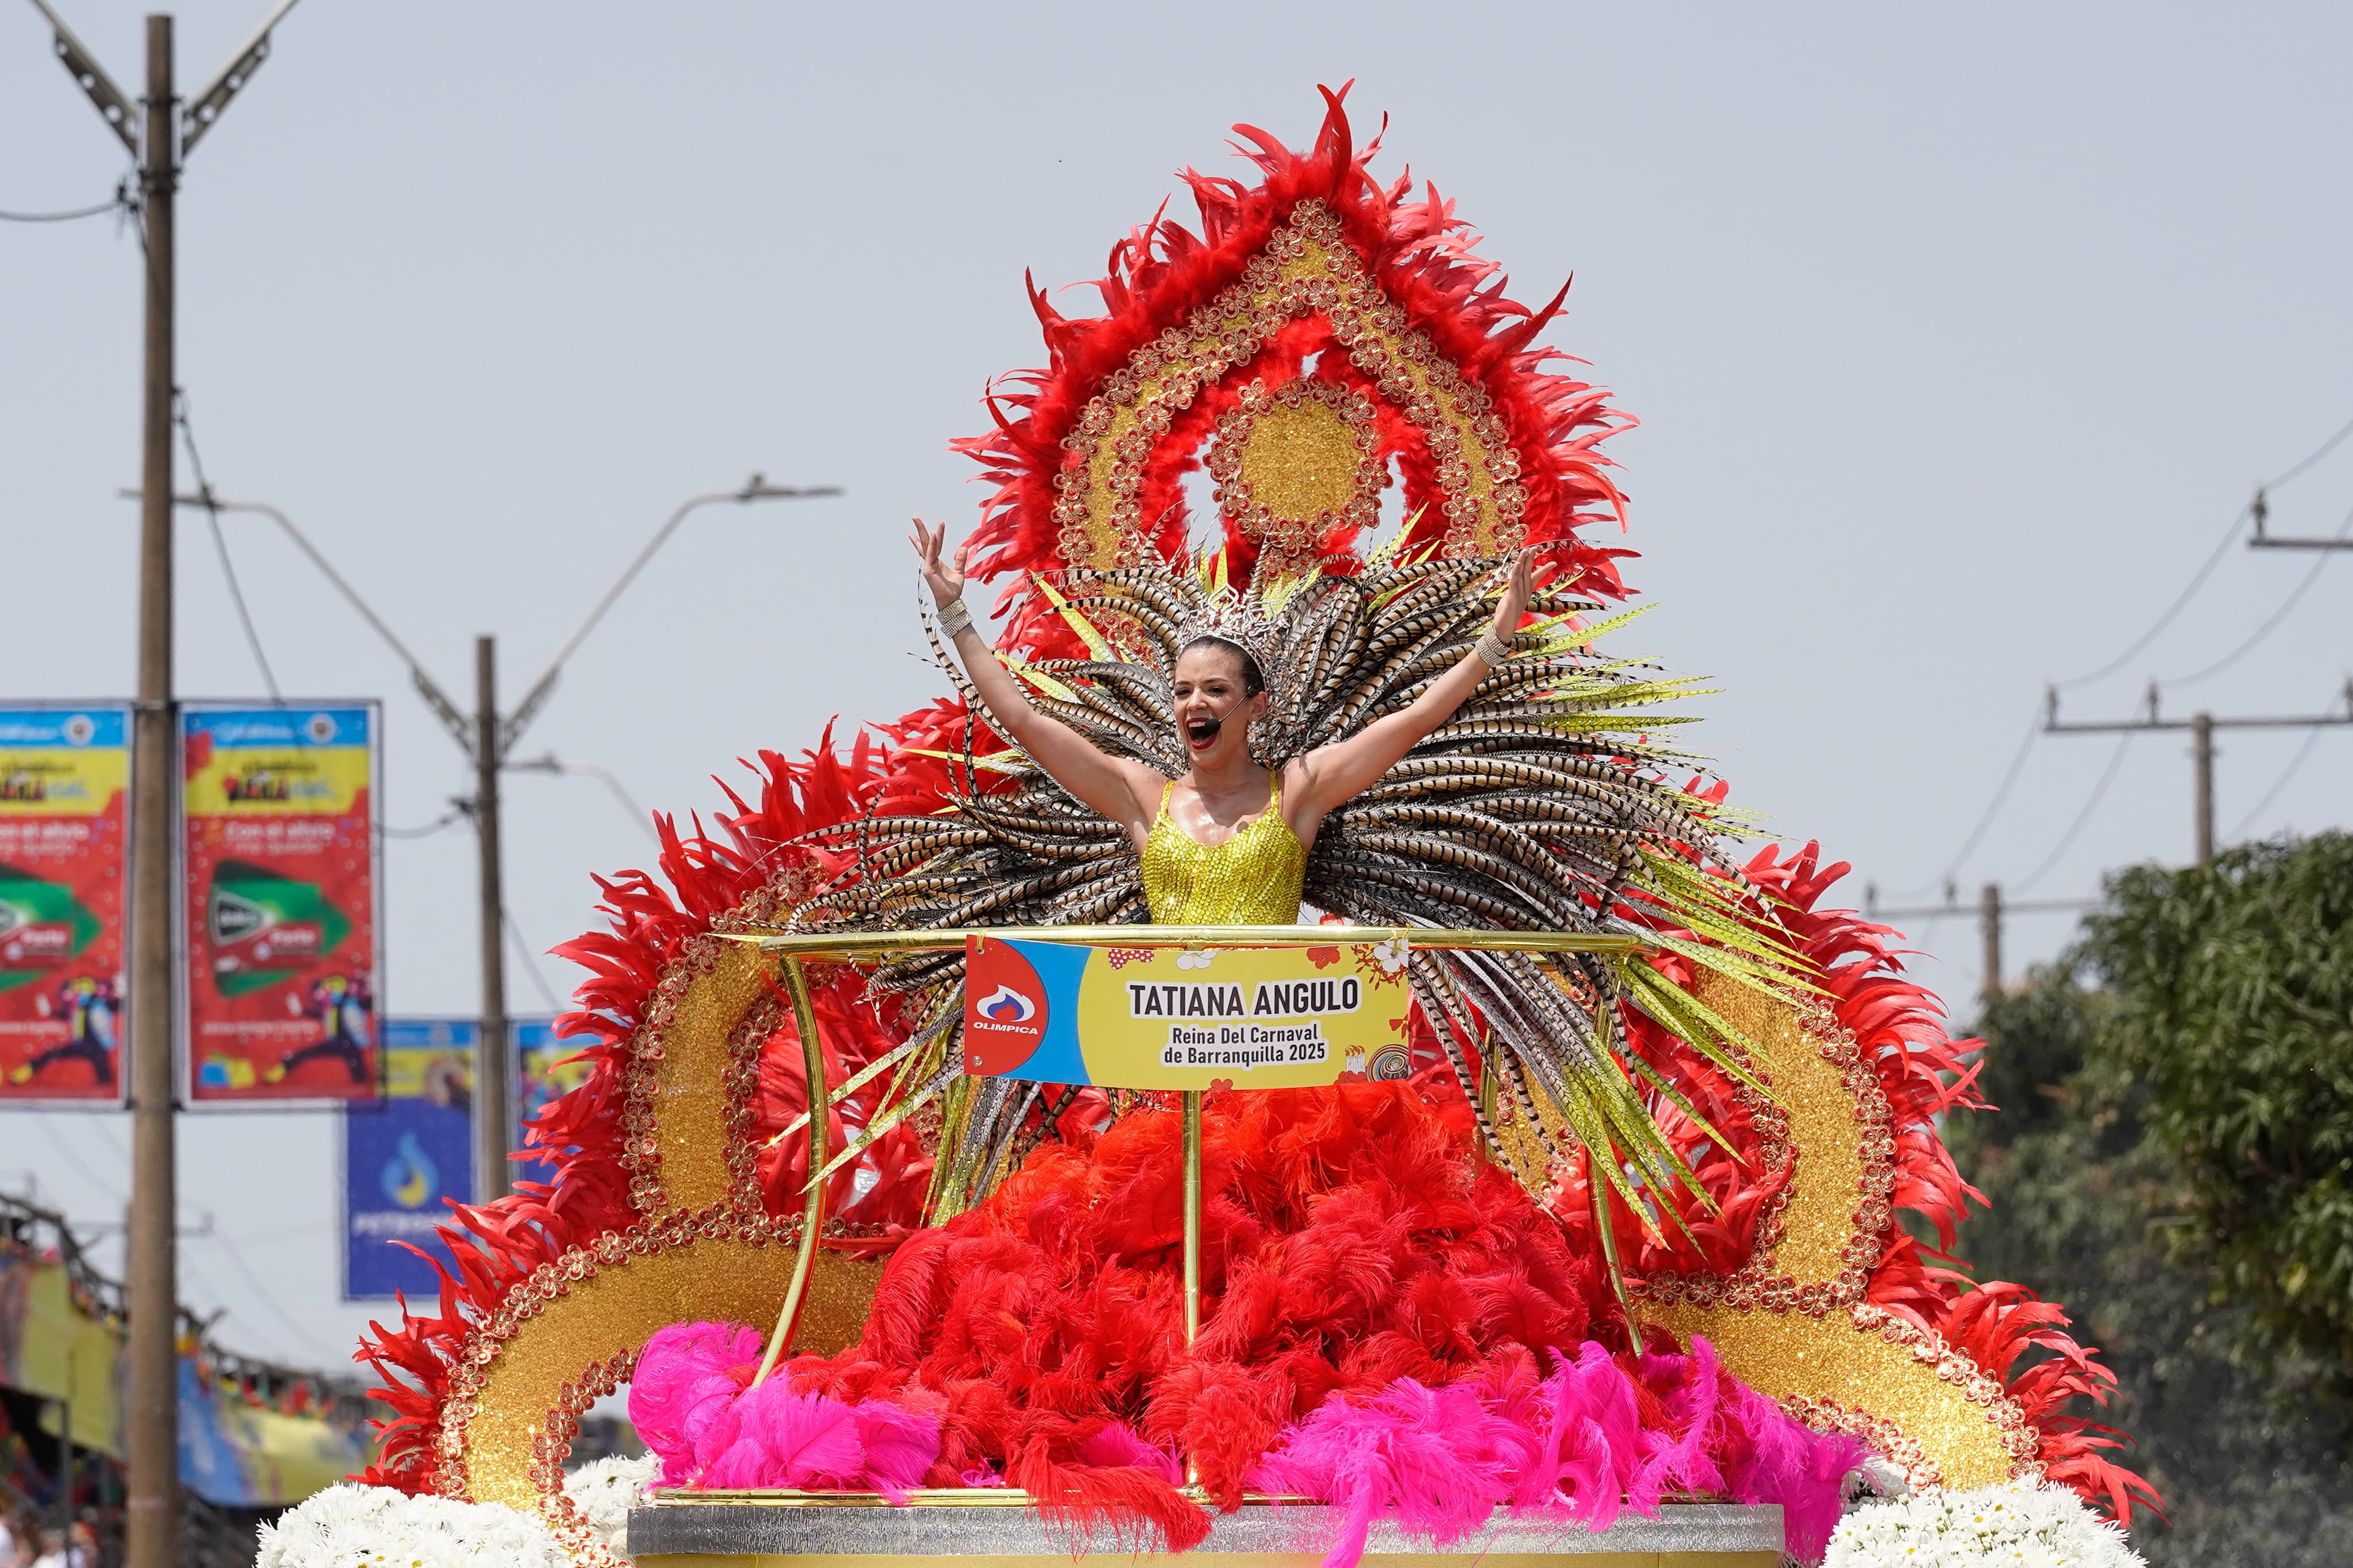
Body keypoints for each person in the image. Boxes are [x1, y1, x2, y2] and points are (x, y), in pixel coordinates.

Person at [909, 521, 1537, 927]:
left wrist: (1496, 638)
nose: (1193, 704)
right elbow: (1019, 716)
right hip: (1170, 1055)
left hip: (1277, 1058)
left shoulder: (1297, 791)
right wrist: (956, 613)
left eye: (1214, 689)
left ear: (1254, 705)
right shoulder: (1140, 795)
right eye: (1182, 691)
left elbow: (1416, 717)